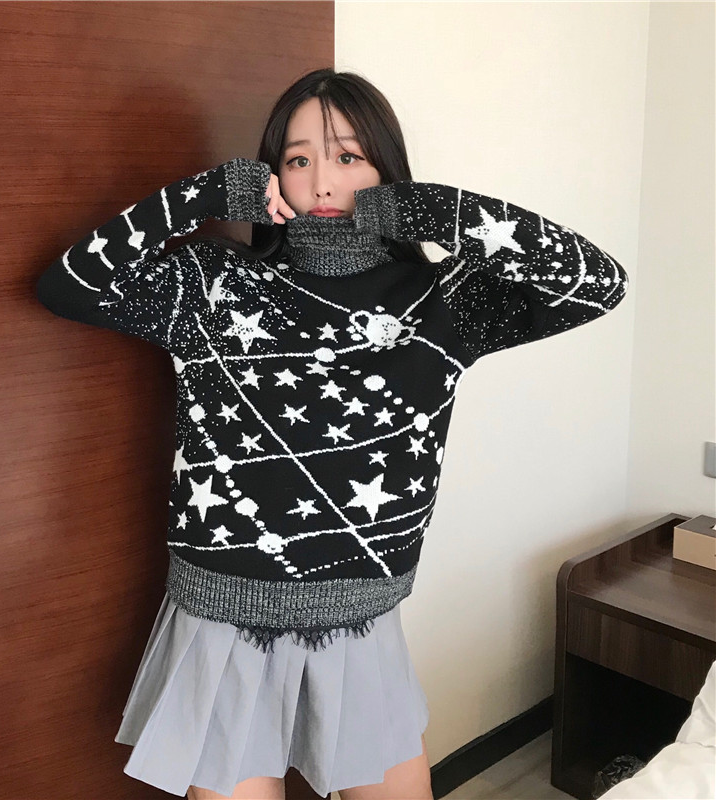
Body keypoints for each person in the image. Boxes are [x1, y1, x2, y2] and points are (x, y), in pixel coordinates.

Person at [35, 68, 628, 800]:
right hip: (223, 621)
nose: (321, 180)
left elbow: (597, 281)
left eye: (348, 156)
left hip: (362, 623)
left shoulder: (442, 301)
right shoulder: (213, 285)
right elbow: (66, 286)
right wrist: (202, 196)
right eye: (298, 158)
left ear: (386, 171)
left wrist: (428, 211)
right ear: (270, 175)